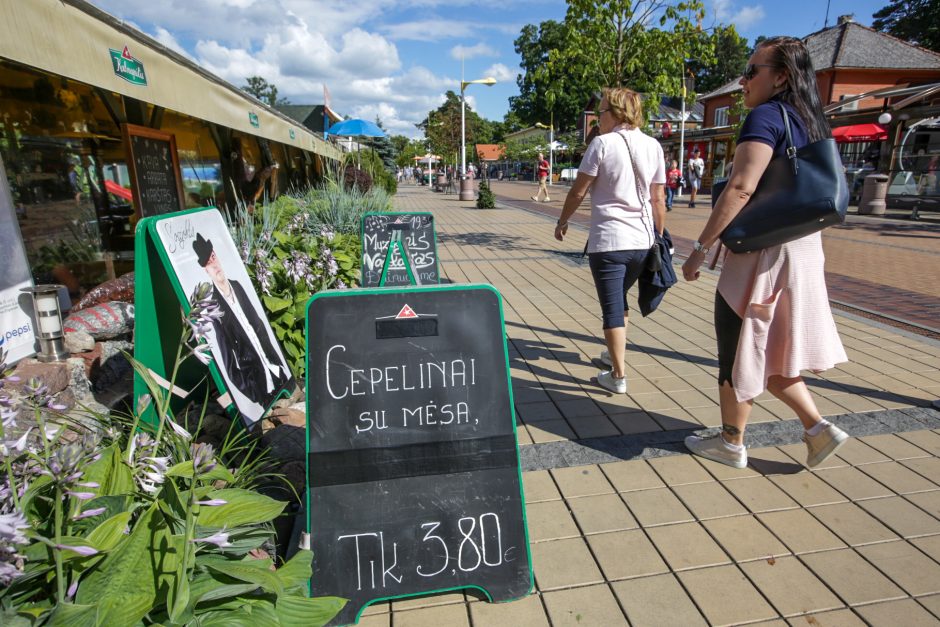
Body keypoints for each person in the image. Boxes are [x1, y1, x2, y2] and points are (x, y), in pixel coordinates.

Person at [681, 36, 849, 470]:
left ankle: (731, 442)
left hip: (763, 256)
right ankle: (817, 429)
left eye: (752, 70)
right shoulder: (809, 119)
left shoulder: (766, 116)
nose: (743, 79)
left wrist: (701, 248)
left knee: (736, 349)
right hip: (802, 249)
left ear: (780, 77)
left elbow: (740, 188)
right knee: (769, 349)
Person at [554, 87, 666, 394]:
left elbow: (578, 190)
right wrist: (658, 235)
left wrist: (562, 221)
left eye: (601, 113)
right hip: (642, 242)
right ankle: (612, 354)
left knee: (612, 308)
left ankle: (618, 375)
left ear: (616, 113)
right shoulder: (654, 145)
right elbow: (658, 198)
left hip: (610, 242)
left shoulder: (602, 144)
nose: (597, 120)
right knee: (621, 299)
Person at [193, 233, 293, 414]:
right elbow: (229, 364)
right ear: (205, 270)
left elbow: (259, 327)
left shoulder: (237, 286)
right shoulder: (213, 306)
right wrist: (253, 391)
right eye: (208, 263)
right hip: (261, 386)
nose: (214, 265)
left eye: (213, 257)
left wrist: (279, 364)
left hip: (278, 372)